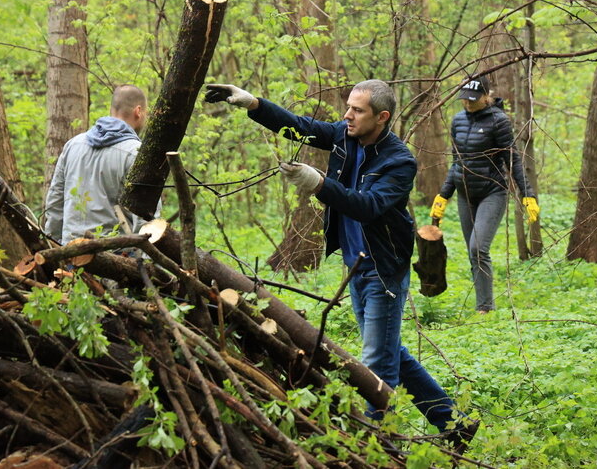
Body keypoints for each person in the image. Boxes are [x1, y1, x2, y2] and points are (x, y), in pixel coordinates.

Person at [205, 80, 478, 451]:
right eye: (348, 107)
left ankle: (378, 444)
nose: (347, 115)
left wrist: (318, 183)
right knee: (390, 350)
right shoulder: (344, 135)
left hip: (383, 269)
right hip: (356, 264)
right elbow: (300, 126)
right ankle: (454, 421)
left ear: (381, 117)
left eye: (358, 110)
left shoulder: (399, 161)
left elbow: (366, 206)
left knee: (376, 362)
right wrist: (255, 104)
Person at [430, 75, 540, 314]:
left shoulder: (498, 121)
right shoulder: (457, 121)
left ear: (486, 96)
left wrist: (527, 194)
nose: (468, 104)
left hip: (492, 192)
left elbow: (512, 159)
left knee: (478, 247)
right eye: (464, 100)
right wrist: (443, 195)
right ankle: (482, 302)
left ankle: (485, 308)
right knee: (473, 253)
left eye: (473, 99)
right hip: (464, 194)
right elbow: (457, 162)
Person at [45, 84, 149, 245]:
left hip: (72, 250)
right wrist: (149, 262)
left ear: (112, 109)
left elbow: (55, 201)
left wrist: (53, 245)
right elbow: (145, 217)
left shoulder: (73, 145)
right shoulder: (136, 153)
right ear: (138, 111)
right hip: (119, 257)